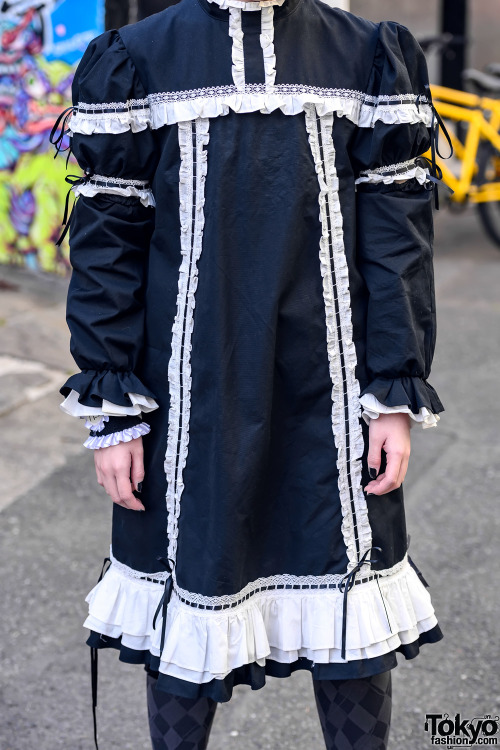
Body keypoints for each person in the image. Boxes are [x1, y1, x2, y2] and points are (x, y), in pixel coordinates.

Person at [53, 0, 447, 747]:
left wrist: (393, 393)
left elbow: (397, 238)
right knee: (187, 610)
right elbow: (109, 247)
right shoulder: (136, 59)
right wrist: (113, 411)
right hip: (185, 400)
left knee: (351, 620)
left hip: (332, 394)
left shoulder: (366, 53)